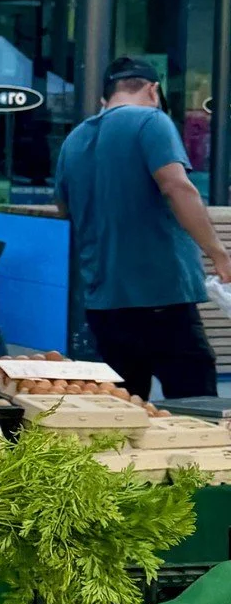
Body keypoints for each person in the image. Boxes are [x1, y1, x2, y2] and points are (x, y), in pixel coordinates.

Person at [54, 55, 231, 401]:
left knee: (123, 410)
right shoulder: (152, 121)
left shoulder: (73, 140)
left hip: (104, 302)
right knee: (196, 405)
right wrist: (219, 253)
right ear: (153, 90)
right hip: (161, 295)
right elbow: (177, 187)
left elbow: (64, 208)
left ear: (106, 96)